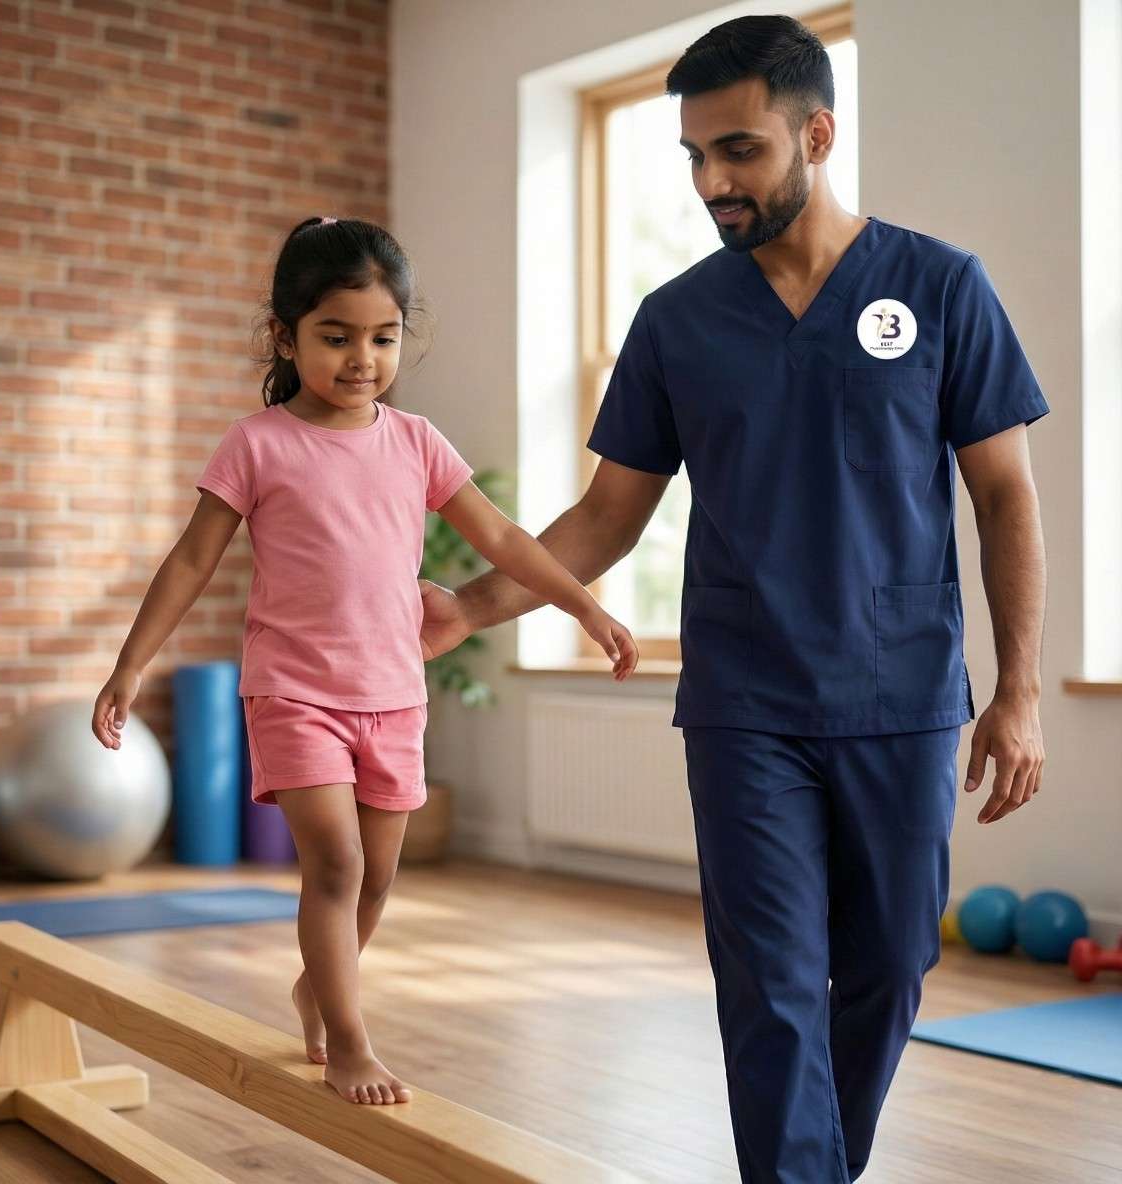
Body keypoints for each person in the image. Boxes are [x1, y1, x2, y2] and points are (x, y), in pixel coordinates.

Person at [420, 15, 1048, 1181]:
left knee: (891, 961)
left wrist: (1015, 692)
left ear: (815, 132)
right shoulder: (677, 320)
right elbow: (607, 515)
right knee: (763, 973)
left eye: (739, 151)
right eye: (694, 157)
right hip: (742, 698)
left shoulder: (939, 285)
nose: (712, 181)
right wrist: (469, 605)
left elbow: (1004, 496)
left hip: (903, 693)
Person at [90, 216, 639, 1107]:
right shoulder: (258, 444)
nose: (361, 359)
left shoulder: (416, 441)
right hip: (293, 691)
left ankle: (319, 986)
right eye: (335, 337)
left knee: (379, 877)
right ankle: (348, 1040)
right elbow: (192, 560)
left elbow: (499, 537)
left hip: (393, 693)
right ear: (286, 336)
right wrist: (129, 664)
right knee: (336, 867)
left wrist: (582, 605)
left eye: (382, 338)